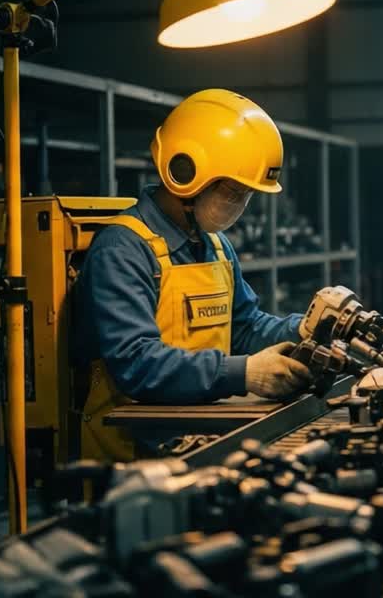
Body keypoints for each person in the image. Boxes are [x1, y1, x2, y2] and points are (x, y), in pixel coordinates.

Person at [72, 89, 313, 461]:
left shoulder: (215, 245)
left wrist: (305, 327)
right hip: (132, 457)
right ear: (185, 172)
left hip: (200, 439)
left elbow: (243, 328)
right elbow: (136, 363)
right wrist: (244, 373)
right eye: (234, 191)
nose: (240, 206)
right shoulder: (122, 250)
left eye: (247, 195)